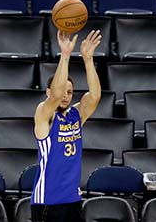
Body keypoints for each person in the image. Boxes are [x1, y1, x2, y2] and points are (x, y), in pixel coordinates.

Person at [31, 29, 102, 222]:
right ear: (48, 91)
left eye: (70, 92)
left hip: (73, 199)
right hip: (48, 201)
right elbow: (55, 96)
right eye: (63, 90)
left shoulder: (75, 115)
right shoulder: (44, 114)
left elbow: (94, 96)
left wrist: (88, 59)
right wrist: (66, 55)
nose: (65, 95)